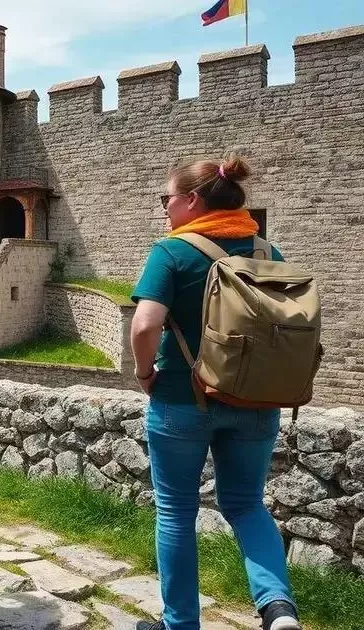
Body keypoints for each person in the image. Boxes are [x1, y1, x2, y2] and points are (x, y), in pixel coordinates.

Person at [130, 156, 300, 630]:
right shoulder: (267, 251)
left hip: (183, 400)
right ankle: (277, 608)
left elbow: (145, 325)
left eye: (166, 199)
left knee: (176, 511)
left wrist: (145, 373)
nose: (164, 209)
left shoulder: (173, 251)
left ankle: (180, 623)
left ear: (191, 200)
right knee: (247, 505)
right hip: (256, 400)